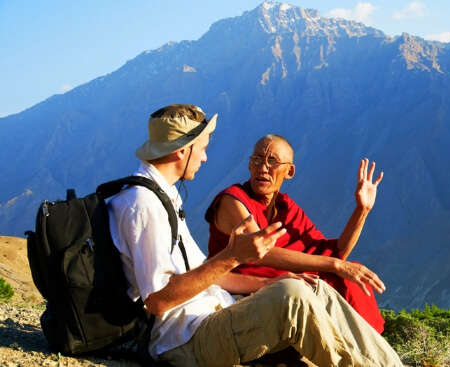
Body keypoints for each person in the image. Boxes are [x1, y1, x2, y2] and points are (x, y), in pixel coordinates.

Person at [108, 105, 403, 366]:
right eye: (202, 147)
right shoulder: (143, 204)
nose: (206, 157)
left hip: (214, 313)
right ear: (181, 150)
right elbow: (158, 300)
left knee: (315, 289)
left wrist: (271, 281)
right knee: (293, 297)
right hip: (183, 340)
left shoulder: (165, 198)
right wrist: (233, 256)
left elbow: (208, 274)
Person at [205, 134, 387, 333]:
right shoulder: (232, 201)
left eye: (272, 161)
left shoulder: (285, 208)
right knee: (338, 272)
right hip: (242, 293)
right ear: (249, 165)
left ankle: (368, 343)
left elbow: (335, 252)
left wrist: (362, 210)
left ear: (289, 171)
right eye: (257, 160)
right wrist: (336, 265)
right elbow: (259, 250)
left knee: (349, 278)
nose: (262, 167)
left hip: (286, 288)